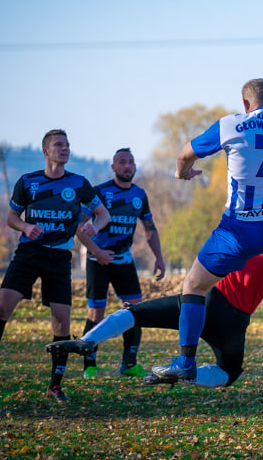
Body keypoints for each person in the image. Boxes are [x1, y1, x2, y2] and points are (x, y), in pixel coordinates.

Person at [151, 79, 263, 383]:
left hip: (237, 229)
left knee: (193, 285)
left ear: (245, 105)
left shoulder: (230, 125)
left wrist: (184, 174)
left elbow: (183, 156)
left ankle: (186, 361)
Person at [0, 129, 110, 402]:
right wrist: (25, 225)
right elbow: (11, 216)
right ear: (46, 151)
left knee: (62, 323)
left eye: (67, 145)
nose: (65, 149)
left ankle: (55, 386)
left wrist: (95, 225)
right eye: (59, 145)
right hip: (28, 254)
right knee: (2, 308)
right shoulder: (28, 181)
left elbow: (102, 213)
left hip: (59, 259)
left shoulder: (80, 184)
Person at [46, 254, 263, 388]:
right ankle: (186, 374)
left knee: (136, 313)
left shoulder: (243, 226)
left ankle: (89, 340)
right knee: (229, 373)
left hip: (203, 300)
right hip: (234, 319)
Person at [77, 148, 166, 379]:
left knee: (135, 311)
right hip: (98, 261)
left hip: (124, 261)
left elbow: (150, 229)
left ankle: (129, 364)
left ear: (134, 167)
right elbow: (79, 228)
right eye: (122, 162)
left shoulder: (139, 195)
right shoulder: (100, 192)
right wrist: (96, 251)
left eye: (131, 162)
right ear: (113, 167)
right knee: (96, 315)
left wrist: (159, 257)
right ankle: (90, 365)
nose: (127, 166)